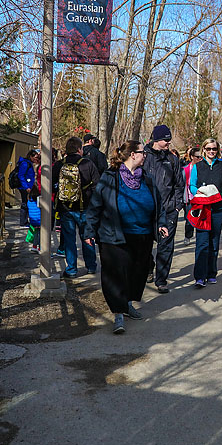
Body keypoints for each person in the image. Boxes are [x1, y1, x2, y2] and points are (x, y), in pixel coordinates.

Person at [84, 141, 169, 334]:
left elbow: (159, 205)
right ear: (132, 155)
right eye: (142, 152)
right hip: (114, 236)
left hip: (143, 235)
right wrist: (89, 231)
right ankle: (118, 313)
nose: (145, 155)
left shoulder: (147, 178)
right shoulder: (110, 178)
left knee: (137, 273)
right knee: (116, 274)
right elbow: (95, 205)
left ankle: (128, 304)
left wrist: (161, 224)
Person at [142, 124, 185, 293]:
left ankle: (161, 280)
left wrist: (177, 206)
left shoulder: (172, 159)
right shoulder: (143, 156)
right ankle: (148, 268)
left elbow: (179, 184)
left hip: (168, 211)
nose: (168, 142)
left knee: (165, 246)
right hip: (146, 211)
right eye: (166, 140)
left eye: (169, 139)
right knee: (144, 246)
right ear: (156, 139)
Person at [53, 136, 100, 278]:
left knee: (69, 239)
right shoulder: (87, 164)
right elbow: (97, 185)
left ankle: (71, 269)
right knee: (87, 237)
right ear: (80, 149)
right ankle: (91, 266)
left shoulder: (59, 165)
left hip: (65, 208)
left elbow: (52, 185)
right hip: (85, 207)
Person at [190, 138, 222, 287]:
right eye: (208, 149)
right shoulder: (198, 167)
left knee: (214, 242)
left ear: (217, 150)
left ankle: (211, 274)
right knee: (202, 243)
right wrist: (198, 191)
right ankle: (200, 277)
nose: (211, 151)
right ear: (204, 150)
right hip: (203, 210)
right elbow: (192, 185)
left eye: (214, 149)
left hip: (218, 210)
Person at [182, 147, 201, 245]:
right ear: (192, 157)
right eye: (197, 157)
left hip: (201, 198)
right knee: (189, 218)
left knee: (199, 218)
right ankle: (188, 236)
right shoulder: (185, 169)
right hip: (189, 198)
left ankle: (200, 237)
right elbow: (181, 184)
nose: (199, 159)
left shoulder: (203, 168)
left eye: (201, 157)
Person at [16, 149, 39, 227]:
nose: (36, 159)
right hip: (25, 187)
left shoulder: (28, 163)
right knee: (25, 203)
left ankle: (25, 221)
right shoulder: (25, 164)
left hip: (27, 186)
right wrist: (26, 187)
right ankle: (23, 221)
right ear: (31, 156)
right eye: (35, 157)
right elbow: (21, 175)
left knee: (26, 203)